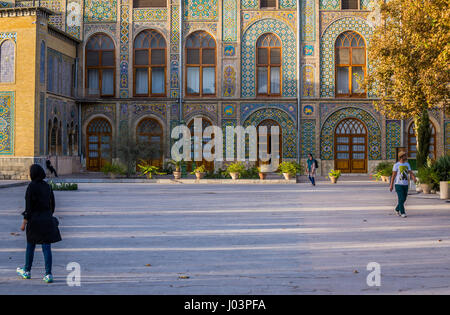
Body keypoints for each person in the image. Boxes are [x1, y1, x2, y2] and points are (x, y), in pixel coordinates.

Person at [17, 164, 62, 283]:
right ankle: (48, 274)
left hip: (34, 221)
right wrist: (48, 215)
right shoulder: (47, 186)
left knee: (30, 246)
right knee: (46, 247)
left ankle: (26, 271)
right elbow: (53, 204)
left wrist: (24, 223)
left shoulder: (31, 187)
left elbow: (28, 208)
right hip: (46, 220)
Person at [389, 151, 417, 218]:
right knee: (400, 198)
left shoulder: (407, 164)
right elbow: (393, 176)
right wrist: (391, 185)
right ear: (401, 157)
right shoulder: (396, 165)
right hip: (398, 184)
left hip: (406, 184)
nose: (406, 157)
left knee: (404, 198)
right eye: (405, 156)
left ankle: (397, 208)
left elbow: (410, 173)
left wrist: (414, 178)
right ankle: (402, 212)